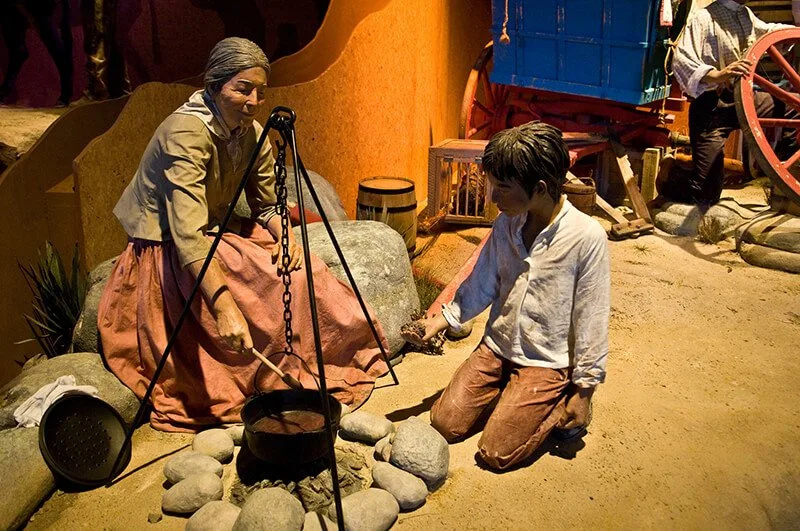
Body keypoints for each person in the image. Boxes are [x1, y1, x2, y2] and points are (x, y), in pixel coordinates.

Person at [97, 37, 388, 432]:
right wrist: (222, 306)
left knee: (305, 273)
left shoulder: (251, 132)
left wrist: (286, 237)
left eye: (260, 91)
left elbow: (267, 204)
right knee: (255, 295)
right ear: (215, 86)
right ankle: (264, 379)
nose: (254, 100)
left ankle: (311, 360)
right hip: (171, 249)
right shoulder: (186, 135)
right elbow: (188, 234)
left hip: (218, 231)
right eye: (242, 88)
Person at [403, 122, 610, 471]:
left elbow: (592, 317)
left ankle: (553, 399)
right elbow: (482, 280)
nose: (492, 198)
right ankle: (510, 396)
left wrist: (584, 391)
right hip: (498, 346)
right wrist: (439, 321)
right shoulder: (507, 224)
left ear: (540, 188)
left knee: (495, 453)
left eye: (503, 188)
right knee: (444, 423)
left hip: (546, 360)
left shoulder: (586, 238)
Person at [666, 0, 795, 206]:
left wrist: (794, 32)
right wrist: (717, 74)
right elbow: (682, 60)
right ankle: (670, 179)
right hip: (712, 107)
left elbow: (770, 32)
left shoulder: (745, 15)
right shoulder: (703, 18)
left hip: (744, 99)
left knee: (792, 106)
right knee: (706, 193)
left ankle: (786, 170)